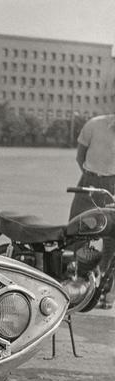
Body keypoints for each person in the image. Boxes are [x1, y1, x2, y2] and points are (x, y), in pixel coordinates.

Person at [68, 113, 115, 309]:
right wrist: (93, 178)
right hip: (89, 182)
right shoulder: (94, 124)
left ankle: (104, 291)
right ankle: (76, 285)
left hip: (113, 184)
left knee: (111, 239)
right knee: (75, 231)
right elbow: (80, 157)